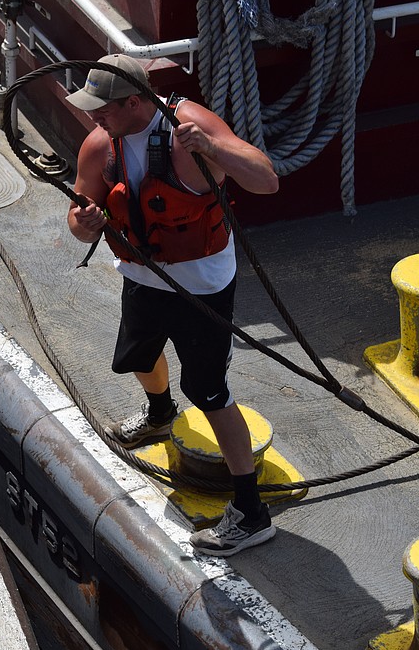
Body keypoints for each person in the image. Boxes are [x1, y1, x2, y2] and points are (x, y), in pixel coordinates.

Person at [65, 54, 280, 557]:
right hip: (143, 274)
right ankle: (160, 413)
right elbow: (74, 221)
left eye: (104, 109)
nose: (95, 117)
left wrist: (215, 151)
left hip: (202, 284)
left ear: (136, 102)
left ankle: (251, 514)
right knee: (138, 355)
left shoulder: (192, 129)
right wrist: (88, 225)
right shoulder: (100, 145)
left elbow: (266, 179)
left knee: (208, 391)